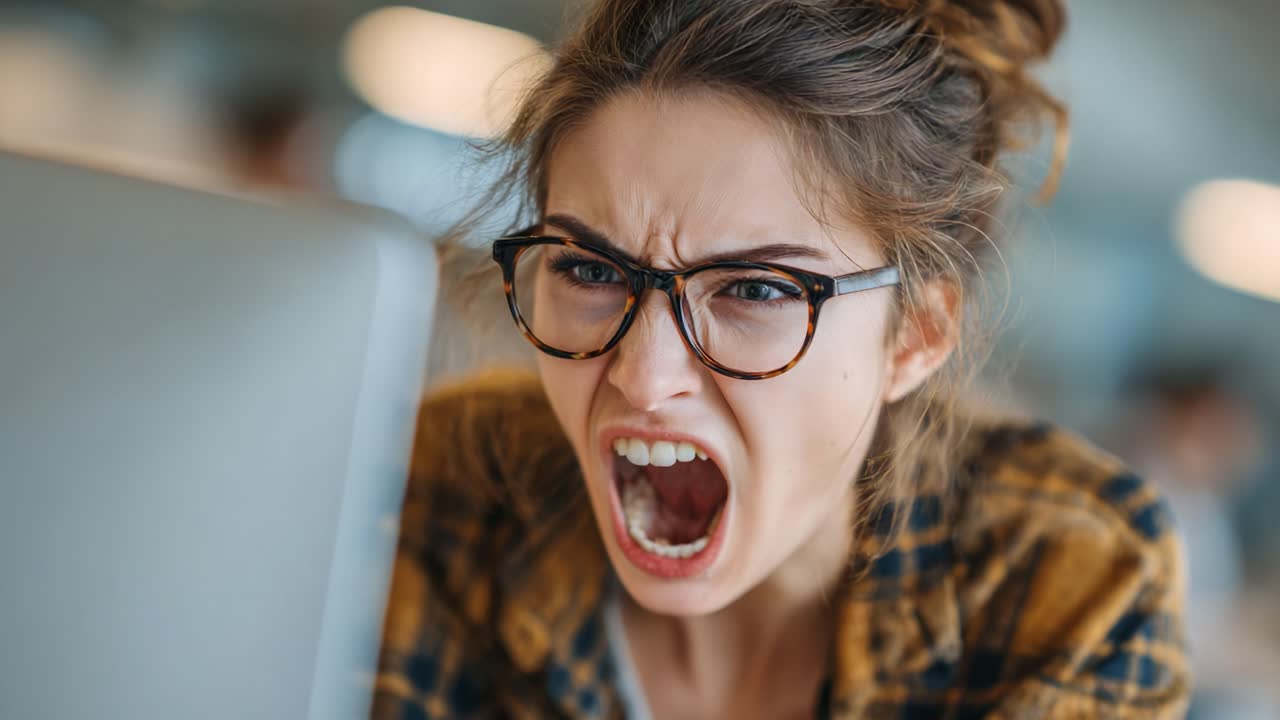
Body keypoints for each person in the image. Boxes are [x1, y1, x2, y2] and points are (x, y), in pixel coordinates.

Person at [372, 1, 1190, 717]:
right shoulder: (439, 486)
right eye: (589, 270)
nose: (643, 377)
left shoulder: (1066, 580)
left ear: (917, 336)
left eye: (756, 291)